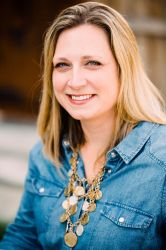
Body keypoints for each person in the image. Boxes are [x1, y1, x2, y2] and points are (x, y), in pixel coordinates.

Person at [0, 1, 166, 249]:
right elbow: (24, 237)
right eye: (62, 65)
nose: (74, 81)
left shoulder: (161, 163)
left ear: (124, 70)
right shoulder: (46, 155)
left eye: (93, 63)